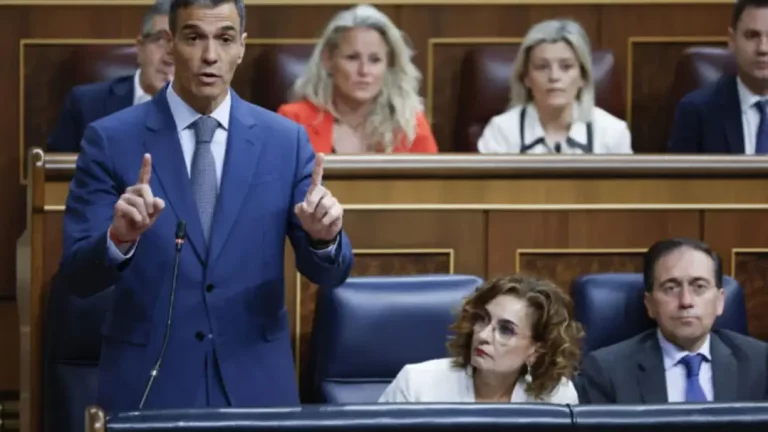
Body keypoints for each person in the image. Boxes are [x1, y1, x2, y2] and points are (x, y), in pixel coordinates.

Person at [57, 0, 353, 411]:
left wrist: (324, 238)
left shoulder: (284, 142)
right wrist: (118, 239)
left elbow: (330, 272)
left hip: (255, 388)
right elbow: (76, 276)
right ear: (170, 44)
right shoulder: (110, 140)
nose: (210, 55)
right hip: (148, 387)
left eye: (225, 38)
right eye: (195, 37)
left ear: (242, 47)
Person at [577, 238, 768, 403]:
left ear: (719, 301)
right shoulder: (607, 371)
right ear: (650, 304)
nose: (686, 301)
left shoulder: (760, 363)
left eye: (699, 286)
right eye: (671, 288)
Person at [378, 275, 583, 403]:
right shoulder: (417, 384)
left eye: (505, 330)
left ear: (536, 351)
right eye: (482, 320)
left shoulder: (556, 396)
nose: (483, 335)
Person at [277, 5, 438, 154]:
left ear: (388, 65)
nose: (364, 70)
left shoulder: (410, 124)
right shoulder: (294, 120)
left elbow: (433, 184)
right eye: (352, 58)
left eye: (375, 60)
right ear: (328, 60)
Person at [477, 19, 631, 155]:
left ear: (583, 76)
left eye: (566, 67)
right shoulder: (501, 132)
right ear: (526, 78)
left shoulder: (613, 133)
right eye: (542, 67)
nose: (554, 77)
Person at [47, 0, 174, 152]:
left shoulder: (202, 111)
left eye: (181, 42)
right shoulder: (85, 105)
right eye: (160, 40)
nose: (170, 56)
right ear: (140, 47)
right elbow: (56, 173)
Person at [668, 0, 768, 154]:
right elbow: (678, 178)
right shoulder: (697, 112)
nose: (762, 48)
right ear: (732, 41)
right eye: (752, 36)